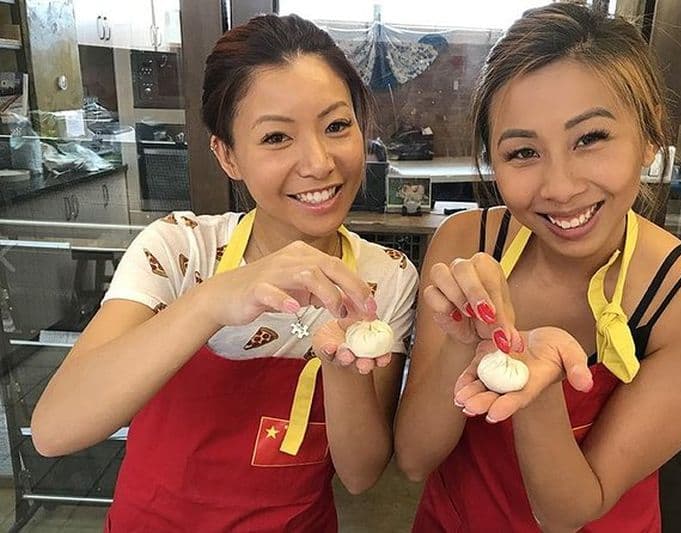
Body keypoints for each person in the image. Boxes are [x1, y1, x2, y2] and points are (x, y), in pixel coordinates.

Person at [31, 14, 417, 531]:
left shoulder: (385, 277)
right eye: (277, 137)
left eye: (337, 126)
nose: (320, 162)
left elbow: (361, 474)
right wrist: (212, 300)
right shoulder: (178, 248)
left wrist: (340, 365)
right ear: (228, 155)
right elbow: (55, 430)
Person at [395, 4, 681, 532]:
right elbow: (414, 459)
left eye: (590, 139)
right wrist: (459, 339)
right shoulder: (467, 244)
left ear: (651, 134)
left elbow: (570, 511)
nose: (560, 187)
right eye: (523, 152)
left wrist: (536, 391)